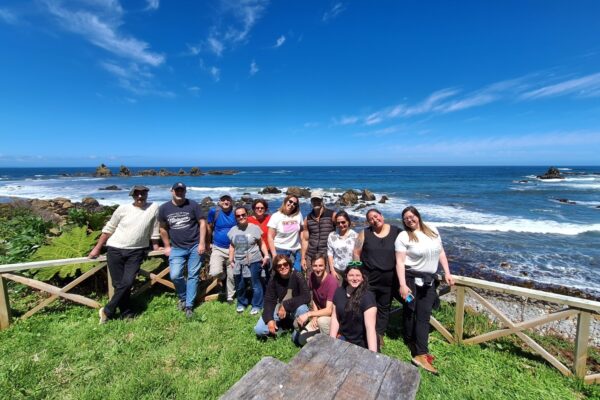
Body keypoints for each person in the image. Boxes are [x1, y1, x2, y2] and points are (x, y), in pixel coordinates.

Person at [395, 206, 455, 375]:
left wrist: (447, 273)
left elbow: (441, 252)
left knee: (423, 315)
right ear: (404, 221)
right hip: (410, 280)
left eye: (412, 216)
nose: (409, 219)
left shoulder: (433, 230)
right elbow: (399, 262)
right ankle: (411, 340)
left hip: (428, 281)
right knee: (409, 309)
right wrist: (402, 284)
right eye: (406, 218)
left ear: (418, 216)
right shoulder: (403, 236)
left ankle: (421, 351)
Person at [89, 185, 160, 323]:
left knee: (127, 283)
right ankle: (127, 313)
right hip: (115, 248)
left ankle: (107, 311)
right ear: (132, 195)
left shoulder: (154, 207)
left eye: (143, 193)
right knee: (118, 284)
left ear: (147, 194)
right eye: (137, 194)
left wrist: (156, 245)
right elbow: (109, 228)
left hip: (137, 251)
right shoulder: (123, 209)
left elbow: (155, 227)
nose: (140, 196)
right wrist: (97, 248)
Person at [353, 208, 401, 346]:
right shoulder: (364, 233)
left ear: (382, 215)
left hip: (389, 278)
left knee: (384, 307)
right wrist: (357, 272)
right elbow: (356, 253)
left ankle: (379, 334)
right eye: (370, 219)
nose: (374, 220)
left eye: (376, 216)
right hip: (369, 278)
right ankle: (367, 331)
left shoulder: (397, 232)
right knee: (368, 305)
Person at [158, 182, 206, 318]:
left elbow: (202, 223)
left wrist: (202, 243)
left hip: (195, 246)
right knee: (175, 275)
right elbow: (162, 228)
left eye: (182, 190)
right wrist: (167, 246)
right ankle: (183, 297)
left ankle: (189, 305)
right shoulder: (164, 208)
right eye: (177, 190)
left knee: (193, 275)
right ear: (171, 191)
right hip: (177, 248)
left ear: (185, 191)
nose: (179, 193)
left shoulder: (193, 205)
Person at [254, 254, 310, 343]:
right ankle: (281, 327)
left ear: (289, 264)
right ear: (276, 268)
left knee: (303, 308)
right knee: (259, 330)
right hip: (279, 309)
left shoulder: (298, 275)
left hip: (295, 308)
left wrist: (285, 305)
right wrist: (269, 319)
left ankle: (297, 332)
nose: (283, 267)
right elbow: (269, 301)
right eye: (279, 266)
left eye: (285, 264)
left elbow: (306, 296)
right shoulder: (274, 279)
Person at [228, 206, 270, 315]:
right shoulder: (233, 230)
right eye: (238, 216)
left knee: (255, 283)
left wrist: (266, 255)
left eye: (243, 214)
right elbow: (232, 246)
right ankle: (242, 303)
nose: (241, 217)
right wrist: (231, 260)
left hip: (255, 260)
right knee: (240, 284)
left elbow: (261, 243)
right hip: (239, 261)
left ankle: (257, 305)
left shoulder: (254, 228)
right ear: (236, 217)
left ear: (247, 215)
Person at [329, 262, 378, 352]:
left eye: (358, 275)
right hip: (344, 338)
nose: (355, 278)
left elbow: (370, 328)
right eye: (351, 275)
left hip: (362, 343)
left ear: (362, 277)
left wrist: (372, 354)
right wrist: (331, 341)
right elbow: (335, 318)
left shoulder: (368, 297)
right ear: (346, 277)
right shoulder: (339, 292)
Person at [296, 253, 338, 345]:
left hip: (333, 318)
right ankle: (320, 340)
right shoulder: (312, 276)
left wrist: (310, 314)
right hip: (319, 315)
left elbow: (329, 310)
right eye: (315, 266)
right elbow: (315, 298)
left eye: (320, 265)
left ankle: (330, 343)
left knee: (321, 321)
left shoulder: (332, 282)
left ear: (325, 266)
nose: (318, 269)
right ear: (311, 266)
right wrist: (315, 316)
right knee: (301, 339)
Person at [207, 194, 237, 303]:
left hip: (233, 249)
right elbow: (209, 227)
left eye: (228, 199)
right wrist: (208, 242)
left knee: (232, 275)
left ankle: (230, 296)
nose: (225, 202)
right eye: (223, 200)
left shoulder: (235, 213)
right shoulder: (214, 212)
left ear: (231, 201)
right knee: (215, 272)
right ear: (219, 202)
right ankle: (222, 276)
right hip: (218, 247)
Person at [301, 190, 336, 272]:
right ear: (311, 201)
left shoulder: (332, 215)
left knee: (325, 281)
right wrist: (303, 258)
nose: (316, 202)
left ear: (322, 200)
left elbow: (342, 230)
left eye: (318, 200)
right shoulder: (308, 218)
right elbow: (305, 240)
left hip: (326, 255)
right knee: (310, 281)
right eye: (314, 200)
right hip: (311, 255)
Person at [267, 195, 304, 272]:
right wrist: (274, 255)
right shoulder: (276, 216)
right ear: (285, 201)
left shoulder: (298, 215)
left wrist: (302, 250)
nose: (292, 205)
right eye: (290, 201)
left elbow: (302, 232)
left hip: (296, 251)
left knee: (296, 274)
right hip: (280, 250)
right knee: (281, 275)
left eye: (295, 204)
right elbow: (270, 236)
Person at [327, 210, 358, 284]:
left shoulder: (356, 236)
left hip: (351, 271)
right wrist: (332, 270)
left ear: (348, 222)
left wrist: (356, 271)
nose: (341, 225)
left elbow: (358, 254)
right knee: (337, 293)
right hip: (337, 270)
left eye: (343, 222)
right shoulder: (332, 235)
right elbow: (330, 253)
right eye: (338, 223)